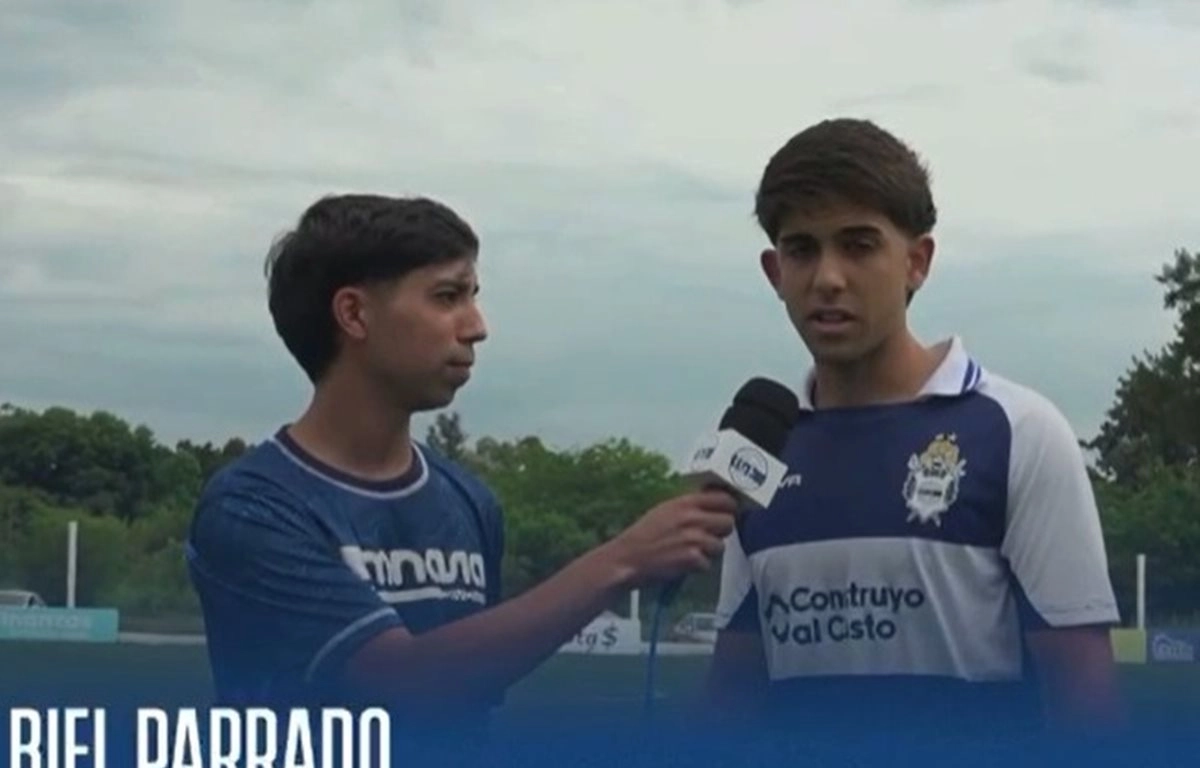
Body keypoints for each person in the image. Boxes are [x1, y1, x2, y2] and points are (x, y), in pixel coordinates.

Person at [185, 193, 736, 731]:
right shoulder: (254, 509)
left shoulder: (465, 500)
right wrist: (624, 561)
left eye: (472, 296)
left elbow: (473, 686)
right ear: (353, 313)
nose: (476, 326)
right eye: (447, 297)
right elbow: (402, 685)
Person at [702, 119, 1124, 737]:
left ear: (917, 262)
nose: (828, 278)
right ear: (774, 272)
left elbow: (1089, 717)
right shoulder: (759, 449)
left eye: (859, 245)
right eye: (802, 250)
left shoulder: (1018, 430)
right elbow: (730, 708)